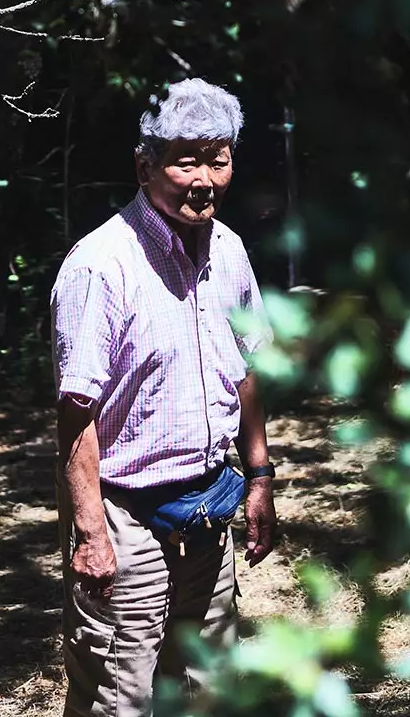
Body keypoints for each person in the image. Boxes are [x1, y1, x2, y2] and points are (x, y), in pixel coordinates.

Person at [51, 78, 276, 717]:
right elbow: (76, 416)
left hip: (209, 506)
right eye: (185, 160)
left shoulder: (229, 252)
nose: (204, 178)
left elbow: (247, 371)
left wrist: (259, 478)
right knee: (120, 699)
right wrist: (91, 532)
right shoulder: (101, 266)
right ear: (144, 164)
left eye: (219, 158)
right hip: (125, 517)